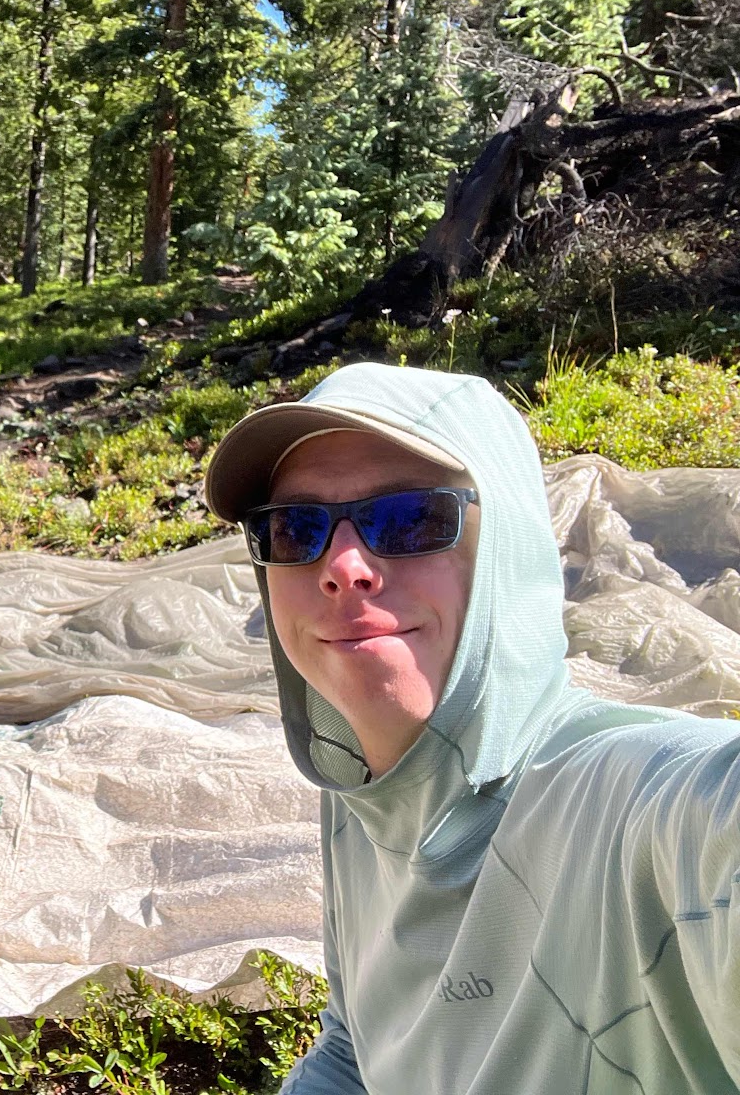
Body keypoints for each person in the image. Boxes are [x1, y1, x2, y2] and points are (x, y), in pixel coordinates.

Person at [202, 362, 740, 1093]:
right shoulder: (364, 794)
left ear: (507, 549)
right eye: (295, 529)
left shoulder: (631, 805)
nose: (343, 565)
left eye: (410, 519)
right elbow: (355, 1048)